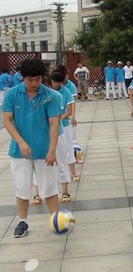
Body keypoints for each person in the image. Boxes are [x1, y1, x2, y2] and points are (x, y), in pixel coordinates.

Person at [2, 58, 63, 238]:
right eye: (30, 79)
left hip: (44, 150)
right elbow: (7, 120)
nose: (34, 83)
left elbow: (54, 124)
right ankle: (23, 221)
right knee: (22, 187)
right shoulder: (12, 95)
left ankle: (55, 219)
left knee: (49, 186)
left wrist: (52, 150)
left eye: (37, 79)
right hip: (20, 152)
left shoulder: (52, 96)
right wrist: (20, 141)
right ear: (23, 78)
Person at [50, 70, 75, 203]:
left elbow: (69, 110)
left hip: (61, 127)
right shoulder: (45, 92)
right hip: (45, 131)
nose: (56, 85)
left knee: (62, 158)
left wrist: (58, 119)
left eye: (59, 83)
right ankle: (38, 193)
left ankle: (65, 191)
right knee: (41, 164)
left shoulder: (65, 92)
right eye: (54, 82)